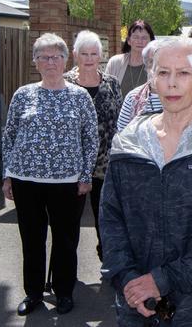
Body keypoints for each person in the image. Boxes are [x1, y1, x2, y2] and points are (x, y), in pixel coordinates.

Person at [99, 37, 192, 326]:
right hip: (137, 302)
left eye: (184, 73)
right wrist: (129, 281)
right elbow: (111, 218)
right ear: (152, 79)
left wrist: (164, 279)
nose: (172, 83)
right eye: (163, 73)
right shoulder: (128, 141)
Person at [1, 33, 98, 316]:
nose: (50, 62)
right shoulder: (24, 94)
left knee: (65, 240)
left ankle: (64, 291)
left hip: (66, 183)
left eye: (56, 56)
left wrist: (85, 176)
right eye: (44, 57)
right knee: (31, 239)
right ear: (35, 62)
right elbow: (10, 137)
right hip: (26, 180)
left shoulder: (79, 96)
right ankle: (33, 293)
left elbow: (90, 139)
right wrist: (7, 175)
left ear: (66, 60)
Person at [63, 30, 123, 261]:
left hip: (105, 164)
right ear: (75, 55)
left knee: (105, 216)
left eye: (94, 53)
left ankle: (107, 259)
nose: (89, 58)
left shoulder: (112, 83)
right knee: (69, 220)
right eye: (84, 53)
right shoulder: (64, 83)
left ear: (101, 56)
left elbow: (119, 121)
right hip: (72, 165)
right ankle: (65, 266)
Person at [116, 40, 162, 131]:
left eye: (160, 62)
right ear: (145, 65)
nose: (155, 67)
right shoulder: (133, 97)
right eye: (151, 62)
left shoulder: (179, 96)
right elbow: (121, 135)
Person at [105, 20, 155, 97]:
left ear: (151, 41)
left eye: (144, 38)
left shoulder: (156, 66)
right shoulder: (114, 63)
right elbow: (106, 93)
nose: (139, 41)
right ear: (129, 40)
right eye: (135, 37)